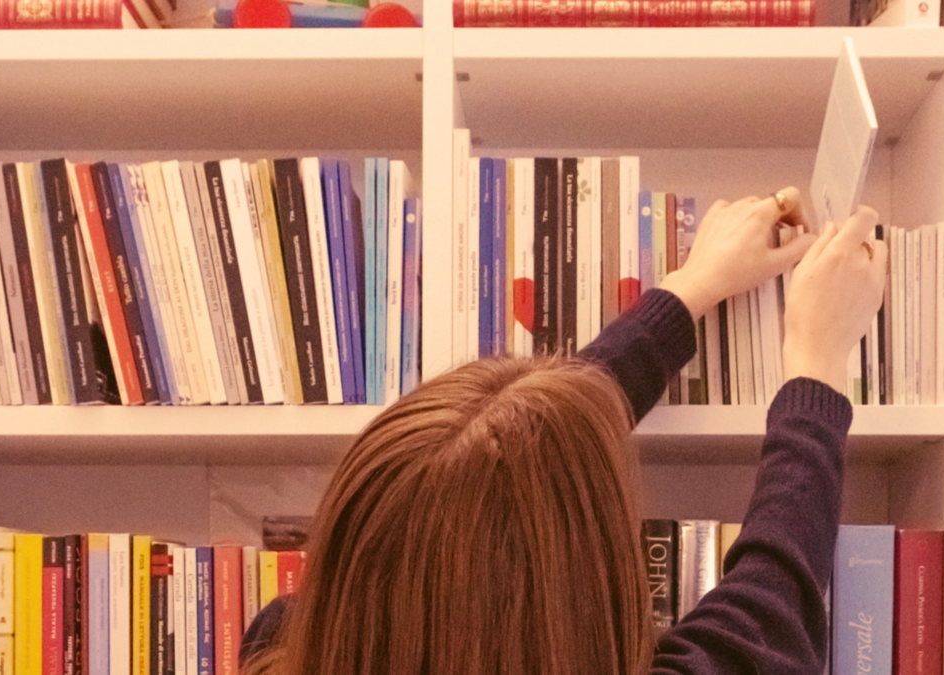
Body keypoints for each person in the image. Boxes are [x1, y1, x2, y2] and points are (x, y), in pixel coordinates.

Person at [239, 187, 888, 675]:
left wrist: (688, 291)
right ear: (577, 589)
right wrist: (817, 359)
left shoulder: (280, 645)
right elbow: (773, 600)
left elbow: (521, 452)